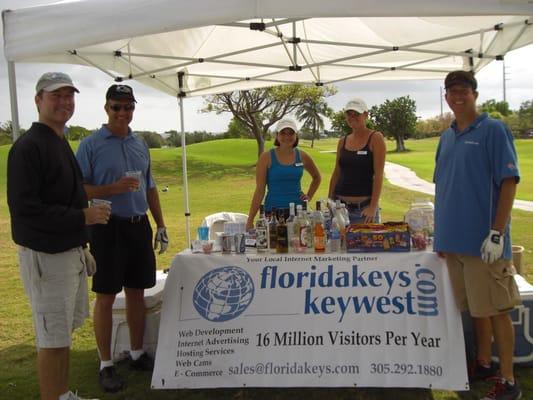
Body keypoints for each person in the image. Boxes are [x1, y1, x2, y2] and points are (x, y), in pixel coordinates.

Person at [7, 72, 110, 400]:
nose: (64, 102)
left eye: (69, 96)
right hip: (46, 256)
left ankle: (63, 395)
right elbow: (26, 210)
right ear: (38, 100)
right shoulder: (28, 147)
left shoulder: (60, 140)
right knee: (51, 339)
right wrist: (82, 216)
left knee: (62, 334)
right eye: (56, 95)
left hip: (68, 252)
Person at [434, 70, 521, 400]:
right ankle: (484, 362)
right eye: (451, 91)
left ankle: (509, 380)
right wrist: (441, 236)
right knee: (474, 307)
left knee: (498, 308)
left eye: (463, 90)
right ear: (446, 96)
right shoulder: (446, 136)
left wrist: (497, 233)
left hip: (484, 243)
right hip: (454, 242)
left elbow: (508, 183)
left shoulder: (494, 130)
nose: (457, 96)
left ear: (474, 94)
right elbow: (444, 185)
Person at [76, 84, 168, 393]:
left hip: (138, 224)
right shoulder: (90, 144)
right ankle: (106, 364)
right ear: (106, 108)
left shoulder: (140, 143)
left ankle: (137, 352)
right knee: (104, 296)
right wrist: (112, 189)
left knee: (137, 292)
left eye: (128, 107)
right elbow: (78, 190)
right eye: (117, 107)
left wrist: (161, 224)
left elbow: (150, 187)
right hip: (106, 226)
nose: (122, 113)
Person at [246, 117, 321, 229]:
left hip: (299, 212)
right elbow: (260, 190)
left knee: (299, 245)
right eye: (283, 133)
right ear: (277, 135)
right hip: (273, 212)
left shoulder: (303, 156)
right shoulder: (266, 157)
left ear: (296, 135)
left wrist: (308, 197)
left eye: (291, 133)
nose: (287, 137)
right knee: (275, 246)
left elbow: (317, 177)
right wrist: (250, 219)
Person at [328, 98, 386, 223]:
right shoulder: (342, 141)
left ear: (365, 115)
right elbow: (337, 172)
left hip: (364, 211)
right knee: (339, 243)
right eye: (349, 114)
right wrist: (330, 200)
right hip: (340, 210)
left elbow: (379, 175)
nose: (352, 117)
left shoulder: (376, 138)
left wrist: (373, 206)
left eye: (357, 114)